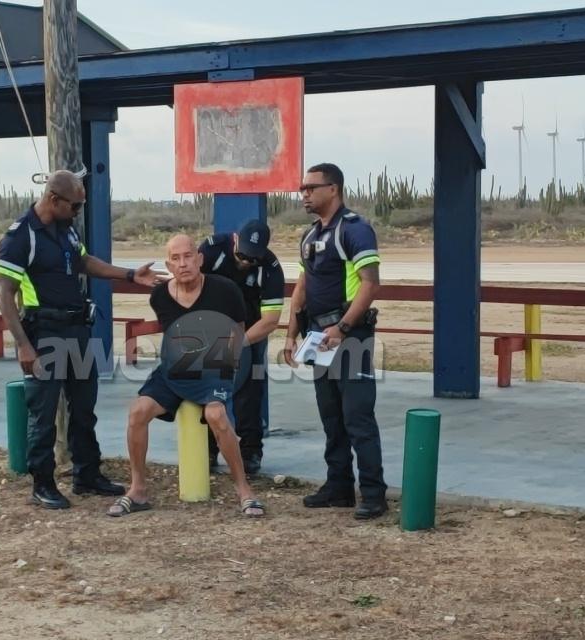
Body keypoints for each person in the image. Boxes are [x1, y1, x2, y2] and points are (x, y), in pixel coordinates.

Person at [0, 170, 166, 510]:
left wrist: (130, 275)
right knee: (43, 414)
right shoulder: (20, 236)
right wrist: (24, 345)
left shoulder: (66, 228)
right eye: (74, 206)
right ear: (53, 199)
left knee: (84, 408)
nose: (78, 212)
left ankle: (87, 474)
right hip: (44, 333)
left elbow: (84, 262)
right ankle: (42, 483)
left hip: (77, 329)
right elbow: (4, 294)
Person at [109, 234, 265, 519]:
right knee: (138, 411)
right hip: (174, 370)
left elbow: (238, 331)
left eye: (188, 256)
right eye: (176, 259)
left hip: (213, 368)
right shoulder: (159, 296)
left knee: (217, 415)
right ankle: (138, 489)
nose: (183, 264)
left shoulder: (226, 290)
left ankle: (244, 490)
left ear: (200, 259)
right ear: (169, 265)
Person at [283, 163, 387, 519]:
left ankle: (373, 494)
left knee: (358, 417)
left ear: (333, 189)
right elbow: (301, 287)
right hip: (318, 337)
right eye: (302, 188)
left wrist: (342, 327)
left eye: (311, 187)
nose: (304, 194)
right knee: (331, 416)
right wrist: (291, 333)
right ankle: (339, 487)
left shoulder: (355, 229)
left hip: (349, 336)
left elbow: (370, 284)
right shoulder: (310, 235)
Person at [198, 219, 285, 474]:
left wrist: (239, 344)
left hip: (251, 331)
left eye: (253, 258)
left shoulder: (270, 268)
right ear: (235, 239)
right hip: (212, 328)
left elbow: (271, 320)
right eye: (242, 255)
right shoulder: (212, 249)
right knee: (207, 391)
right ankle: (207, 449)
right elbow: (189, 285)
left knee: (250, 389)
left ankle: (250, 451)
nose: (246, 262)